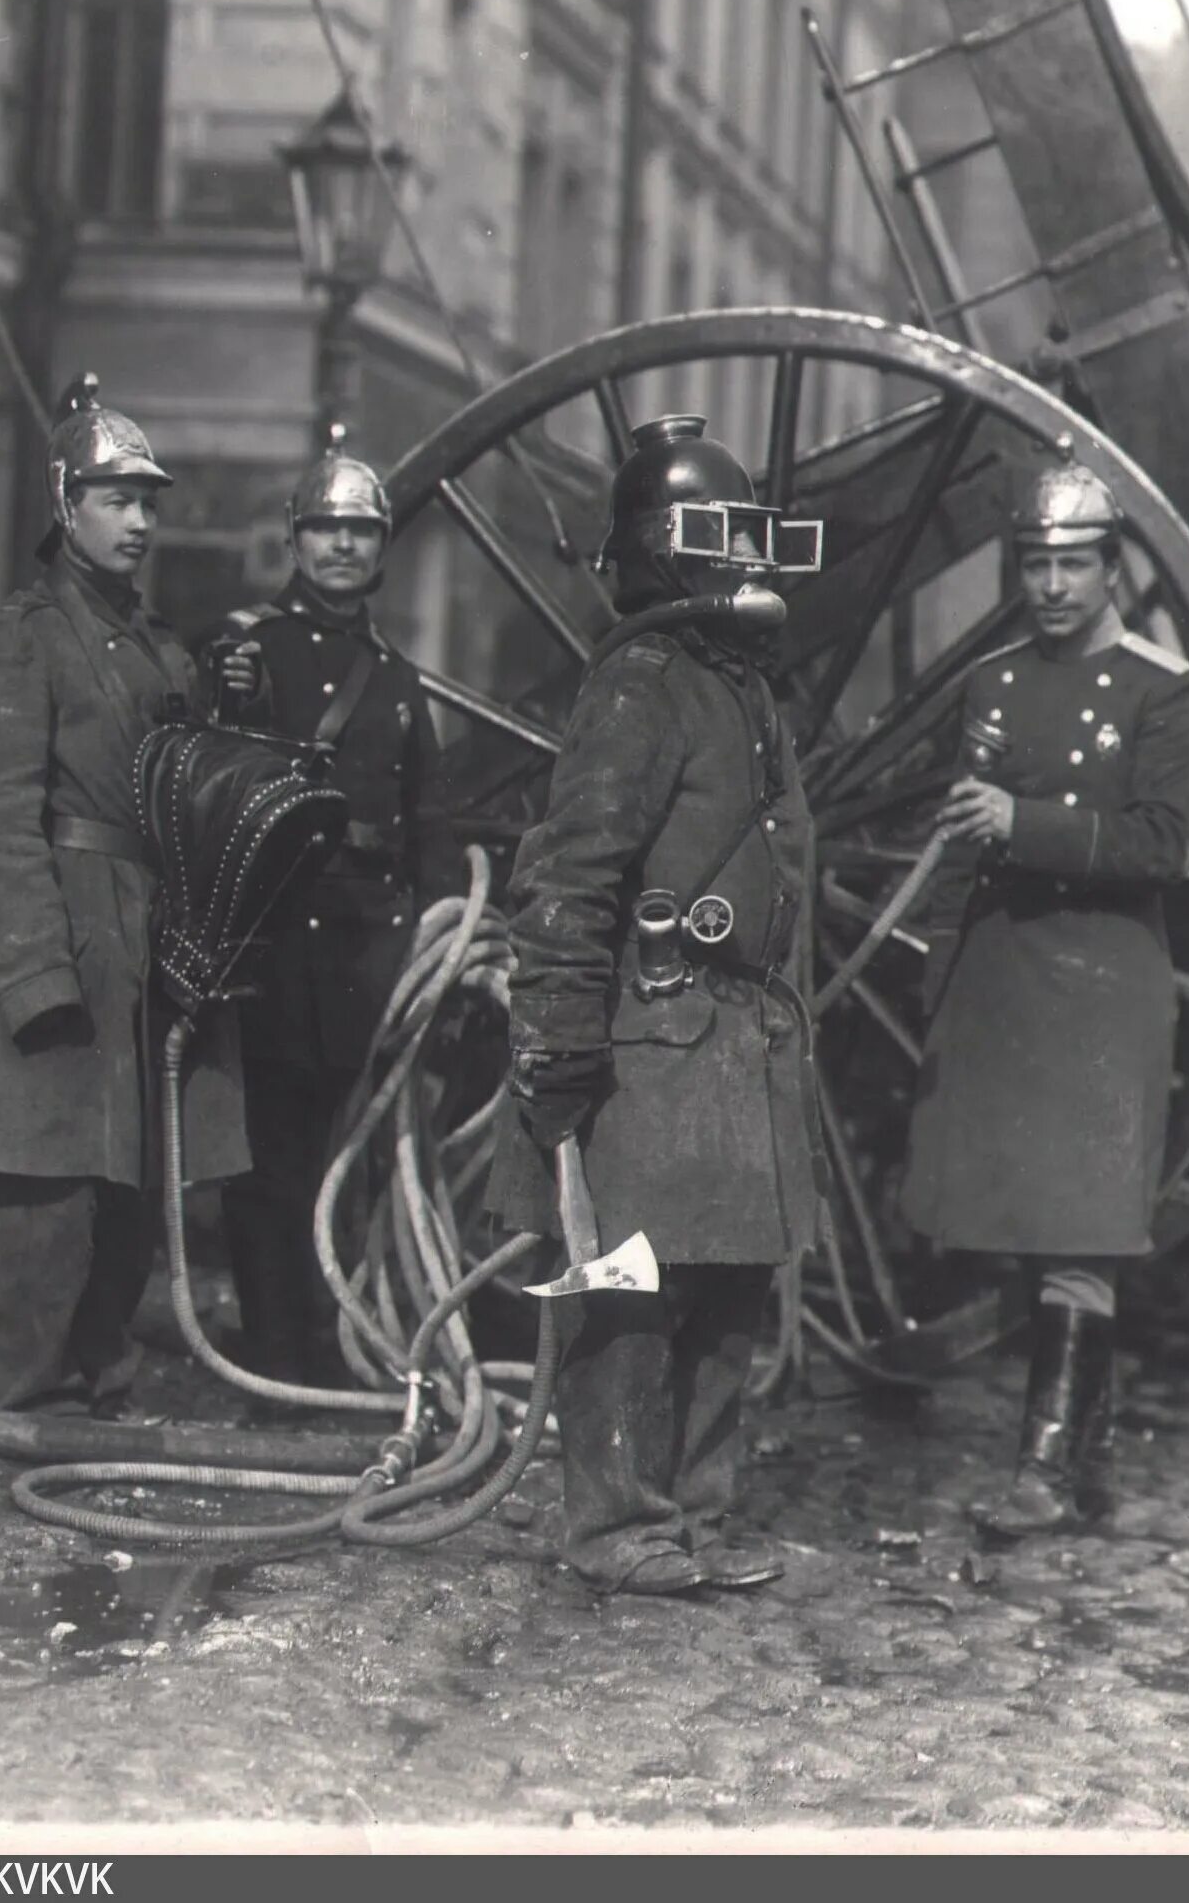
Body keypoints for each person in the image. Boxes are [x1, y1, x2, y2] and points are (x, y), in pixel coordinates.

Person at [487, 411, 824, 1598]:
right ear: (668, 549)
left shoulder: (740, 692)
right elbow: (572, 875)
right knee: (630, 1295)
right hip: (652, 1044)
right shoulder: (638, 688)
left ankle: (696, 1509)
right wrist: (559, 1046)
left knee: (727, 1287)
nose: (747, 562)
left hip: (731, 1041)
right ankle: (618, 1524)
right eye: (721, 539)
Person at [898, 447, 1189, 1539]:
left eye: (1074, 564)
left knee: (1083, 1228)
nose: (1050, 586)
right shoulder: (993, 685)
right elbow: (949, 847)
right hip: (1003, 982)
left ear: (1112, 568)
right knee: (1030, 1225)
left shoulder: (1166, 694)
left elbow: (1164, 845)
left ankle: (1041, 1466)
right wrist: (941, 982)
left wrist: (1024, 827)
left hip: (1099, 990)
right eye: (1034, 563)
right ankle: (1087, 1456)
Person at [0, 376, 251, 1416]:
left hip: (146, 945)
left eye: (149, 502)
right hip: (59, 935)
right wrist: (34, 969)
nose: (141, 522)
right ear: (66, 507)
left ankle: (103, 1372)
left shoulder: (162, 654)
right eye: (118, 500)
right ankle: (28, 1392)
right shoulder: (19, 641)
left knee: (134, 1187)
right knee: (49, 1190)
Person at [207, 436, 461, 1384]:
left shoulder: (395, 679)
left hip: (364, 956)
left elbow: (428, 819)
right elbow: (207, 779)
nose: (342, 546)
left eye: (359, 530)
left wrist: (439, 938)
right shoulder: (245, 650)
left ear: (381, 546)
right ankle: (273, 1356)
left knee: (342, 1164)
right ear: (295, 540)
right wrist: (225, 702)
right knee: (265, 1166)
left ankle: (328, 1346)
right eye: (326, 528)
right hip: (271, 943)